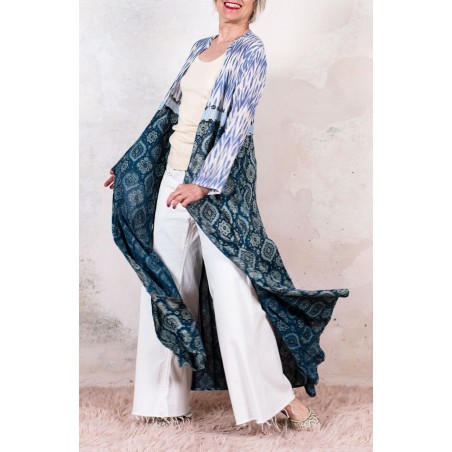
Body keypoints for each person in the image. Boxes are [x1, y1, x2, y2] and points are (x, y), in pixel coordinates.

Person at [104, 0, 348, 432]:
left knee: (235, 293)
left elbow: (238, 125)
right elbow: (169, 114)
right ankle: (161, 402)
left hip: (217, 189)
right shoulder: (200, 46)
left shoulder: (252, 51)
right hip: (173, 182)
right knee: (167, 288)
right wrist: (130, 165)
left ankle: (279, 401)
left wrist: (204, 183)